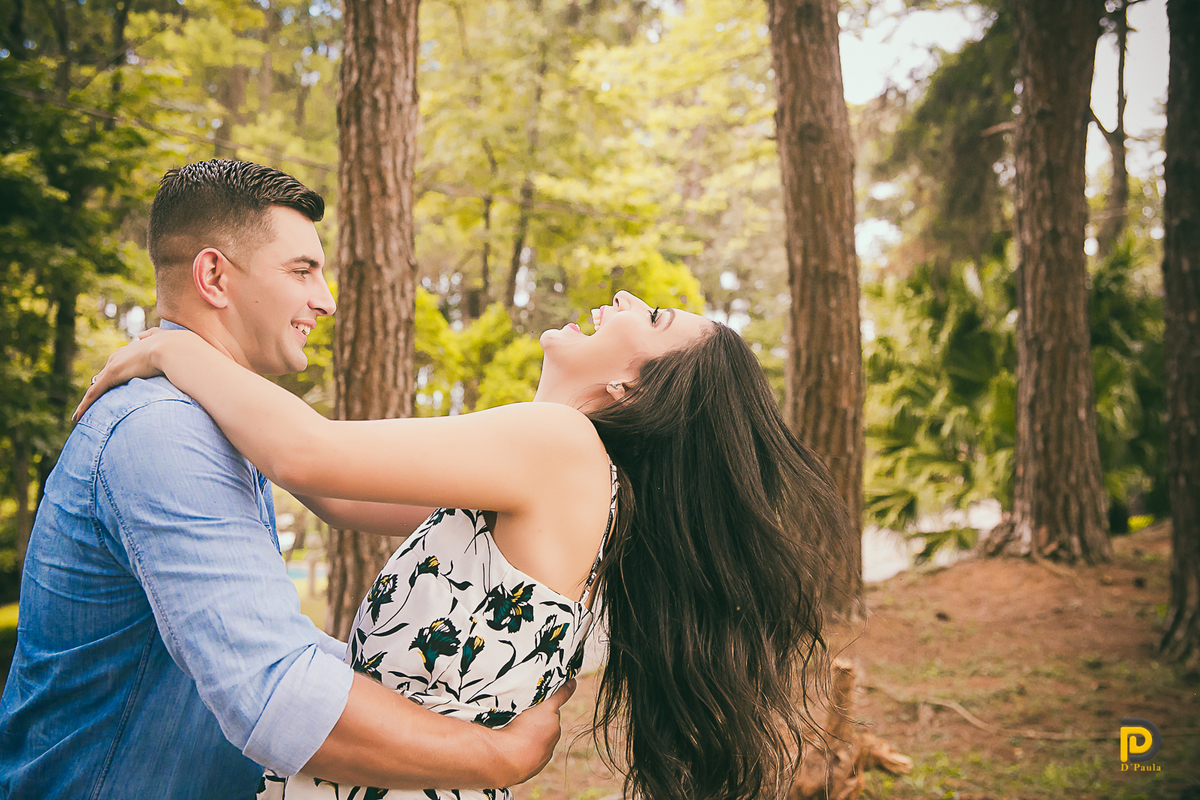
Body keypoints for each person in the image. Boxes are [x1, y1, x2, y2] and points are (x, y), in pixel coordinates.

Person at [76, 281, 851, 799]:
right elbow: (335, 490)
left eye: (652, 320)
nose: (624, 298)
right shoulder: (552, 476)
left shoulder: (559, 447)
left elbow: (307, 452)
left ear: (633, 388)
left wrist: (172, 348)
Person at [0, 160, 570, 799]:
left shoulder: (212, 423)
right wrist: (496, 757)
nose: (325, 300)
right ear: (214, 276)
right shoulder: (161, 430)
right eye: (302, 271)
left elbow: (272, 629)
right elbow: (273, 693)